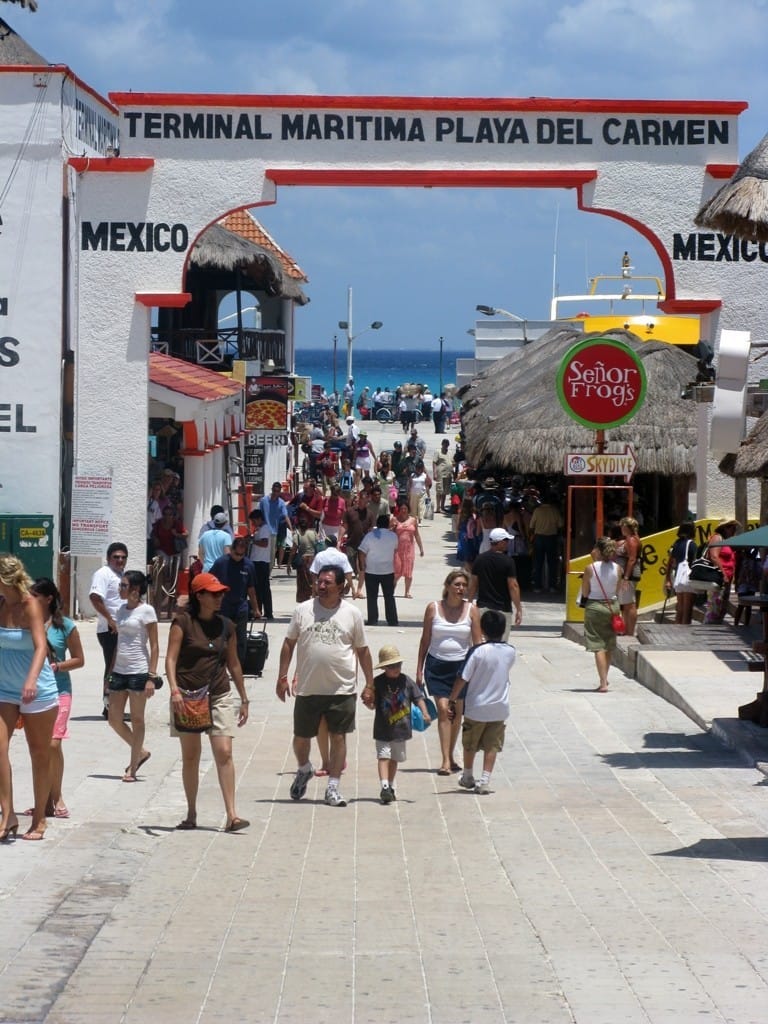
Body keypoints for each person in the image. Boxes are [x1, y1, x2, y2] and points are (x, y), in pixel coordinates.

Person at [277, 565, 374, 808]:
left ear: (340, 586)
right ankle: (304, 768)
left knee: (338, 737)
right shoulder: (303, 610)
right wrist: (282, 676)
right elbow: (288, 644)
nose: (321, 586)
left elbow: (363, 650)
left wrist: (370, 684)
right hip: (308, 687)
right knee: (301, 738)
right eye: (319, 581)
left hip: (341, 688)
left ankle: (333, 786)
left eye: (327, 582)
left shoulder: (352, 613)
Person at [165, 572, 250, 832]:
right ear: (199, 596)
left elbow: (234, 664)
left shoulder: (227, 626)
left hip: (219, 692)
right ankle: (191, 812)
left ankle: (232, 815)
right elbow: (170, 659)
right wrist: (174, 691)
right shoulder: (183, 623)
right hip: (188, 695)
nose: (219, 598)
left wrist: (244, 698)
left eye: (221, 593)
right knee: (191, 755)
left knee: (224, 751)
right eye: (214, 594)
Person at [0, 555, 60, 841]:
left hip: (36, 689)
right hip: (4, 689)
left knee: (39, 753)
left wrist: (31, 679)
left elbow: (40, 647)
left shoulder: (30, 605)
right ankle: (8, 814)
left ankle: (39, 820)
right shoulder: (0, 605)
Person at [416, 568, 482, 776]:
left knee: (456, 714)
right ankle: (445, 760)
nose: (461, 588)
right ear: (447, 586)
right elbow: (425, 640)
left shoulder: (472, 610)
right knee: (444, 710)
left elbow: (477, 644)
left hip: (461, 668)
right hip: (436, 665)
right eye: (457, 584)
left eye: (464, 585)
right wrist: (419, 669)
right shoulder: (433, 608)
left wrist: (479, 672)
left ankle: (451, 756)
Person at [29, 578, 85, 819]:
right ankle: (44, 802)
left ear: (48, 599)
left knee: (53, 744)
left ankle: (57, 795)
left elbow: (80, 659)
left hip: (60, 690)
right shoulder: (27, 622)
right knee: (40, 747)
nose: (30, 600)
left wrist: (58, 666)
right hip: (34, 692)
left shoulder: (66, 626)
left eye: (35, 596)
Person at [448, 609, 516, 795]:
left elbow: (463, 677)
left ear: (483, 630)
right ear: (503, 629)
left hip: (476, 707)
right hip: (500, 707)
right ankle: (485, 781)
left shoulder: (477, 652)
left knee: (470, 743)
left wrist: (452, 699)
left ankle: (468, 776)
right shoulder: (511, 651)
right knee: (492, 745)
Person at [361, 644, 431, 804]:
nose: (396, 669)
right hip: (382, 729)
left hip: (401, 730)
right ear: (384, 667)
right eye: (391, 666)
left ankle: (390, 785)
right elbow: (372, 705)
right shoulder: (378, 683)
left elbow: (418, 698)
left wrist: (425, 712)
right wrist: (368, 702)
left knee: (394, 759)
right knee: (383, 756)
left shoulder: (406, 681)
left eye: (398, 665)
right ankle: (384, 786)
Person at [107, 570, 160, 782]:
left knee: (137, 719)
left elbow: (154, 645)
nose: (120, 588)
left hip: (139, 670)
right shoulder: (120, 610)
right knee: (114, 719)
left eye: (124, 585)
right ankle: (140, 751)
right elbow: (118, 642)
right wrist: (109, 672)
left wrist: (151, 677)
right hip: (119, 671)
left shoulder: (147, 611)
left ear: (135, 589)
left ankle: (133, 768)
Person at [89, 541, 128, 717]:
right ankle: (109, 707)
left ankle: (113, 706)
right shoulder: (103, 573)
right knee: (112, 666)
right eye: (116, 557)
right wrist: (110, 620)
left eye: (123, 557)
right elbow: (95, 597)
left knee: (118, 667)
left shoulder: (121, 575)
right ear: (108, 558)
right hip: (110, 629)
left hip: (122, 629)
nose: (120, 560)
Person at [210, 536, 261, 670]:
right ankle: (219, 666)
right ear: (231, 550)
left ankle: (238, 667)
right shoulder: (221, 563)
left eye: (241, 555)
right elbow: (211, 582)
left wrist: (256, 609)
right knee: (221, 637)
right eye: (236, 554)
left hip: (241, 607)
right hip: (223, 606)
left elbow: (251, 590)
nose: (238, 557)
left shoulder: (248, 565)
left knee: (240, 639)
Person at [580, 537, 621, 693]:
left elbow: (585, 592)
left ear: (597, 550)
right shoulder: (618, 568)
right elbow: (617, 590)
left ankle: (603, 683)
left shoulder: (590, 568)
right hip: (612, 606)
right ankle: (605, 677)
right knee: (608, 644)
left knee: (598, 646)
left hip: (595, 606)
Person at [468, 527, 524, 640]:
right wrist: (518, 608)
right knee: (500, 644)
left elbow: (473, 584)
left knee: (481, 643)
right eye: (506, 540)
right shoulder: (508, 561)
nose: (508, 543)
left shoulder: (479, 559)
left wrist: (468, 604)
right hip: (502, 609)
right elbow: (513, 586)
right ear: (501, 542)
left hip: (482, 608)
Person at [357, 514, 399, 626]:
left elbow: (361, 551)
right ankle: (392, 620)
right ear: (388, 524)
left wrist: (362, 565)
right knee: (389, 596)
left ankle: (372, 619)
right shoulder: (393, 536)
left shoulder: (370, 536)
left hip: (372, 570)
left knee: (372, 597)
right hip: (388, 570)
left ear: (377, 524)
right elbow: (395, 549)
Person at [704, 519, 740, 623]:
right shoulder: (717, 538)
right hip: (718, 578)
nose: (734, 530)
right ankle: (710, 628)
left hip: (726, 580)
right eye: (733, 528)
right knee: (714, 607)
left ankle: (715, 625)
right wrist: (723, 574)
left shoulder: (725, 541)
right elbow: (714, 557)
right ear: (725, 528)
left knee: (722, 608)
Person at [529, 491, 563, 592]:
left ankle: (537, 586)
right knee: (552, 562)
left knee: (538, 562)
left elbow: (531, 526)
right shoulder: (555, 510)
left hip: (539, 538)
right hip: (551, 538)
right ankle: (552, 586)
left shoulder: (537, 510)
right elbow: (561, 525)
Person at [664, 522, 696, 625]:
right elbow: (694, 561)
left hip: (678, 577)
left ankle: (677, 628)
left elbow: (670, 562)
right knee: (687, 609)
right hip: (688, 577)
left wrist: (668, 579)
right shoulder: (691, 544)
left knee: (680, 607)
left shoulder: (676, 543)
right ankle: (685, 630)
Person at [615, 516, 642, 636]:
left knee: (629, 604)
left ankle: (629, 632)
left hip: (629, 576)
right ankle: (627, 630)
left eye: (623, 526)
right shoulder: (632, 538)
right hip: (628, 575)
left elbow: (632, 559)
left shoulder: (631, 540)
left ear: (628, 527)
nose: (621, 528)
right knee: (626, 604)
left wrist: (626, 577)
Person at [392, 500, 424, 598]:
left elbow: (417, 535)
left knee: (408, 571)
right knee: (397, 571)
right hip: (397, 549)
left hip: (409, 549)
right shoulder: (394, 519)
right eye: (402, 509)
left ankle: (407, 592)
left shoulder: (413, 520)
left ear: (408, 509)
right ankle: (391, 591)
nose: (403, 510)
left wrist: (421, 548)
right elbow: (389, 534)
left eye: (405, 509)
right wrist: (393, 528)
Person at [248, 508, 274, 620]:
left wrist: (252, 541)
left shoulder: (264, 529)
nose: (253, 523)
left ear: (259, 519)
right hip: (258, 561)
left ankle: (266, 611)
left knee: (262, 588)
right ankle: (260, 610)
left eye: (254, 521)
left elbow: (264, 543)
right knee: (259, 588)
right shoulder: (259, 529)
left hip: (261, 562)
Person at [260, 482, 292, 570]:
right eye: (274, 490)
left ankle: (268, 572)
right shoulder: (264, 500)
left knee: (271, 553)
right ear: (272, 490)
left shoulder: (281, 503)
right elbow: (259, 514)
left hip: (273, 531)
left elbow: (286, 516)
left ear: (280, 491)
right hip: (263, 530)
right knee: (262, 552)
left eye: (277, 491)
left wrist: (291, 529)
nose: (275, 493)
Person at [291, 514, 322, 603]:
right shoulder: (313, 533)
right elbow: (318, 544)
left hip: (303, 561)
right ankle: (315, 597)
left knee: (303, 583)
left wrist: (289, 563)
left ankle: (304, 601)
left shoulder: (297, 535)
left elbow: (293, 550)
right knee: (313, 580)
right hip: (313, 560)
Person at [433, 438, 453, 513]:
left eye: (447, 444)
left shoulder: (450, 452)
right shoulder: (438, 451)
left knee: (445, 491)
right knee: (439, 490)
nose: (445, 445)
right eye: (444, 444)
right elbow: (434, 462)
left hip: (448, 474)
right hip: (440, 474)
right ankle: (438, 508)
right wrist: (434, 473)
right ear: (442, 444)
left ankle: (442, 507)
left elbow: (452, 462)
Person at [408, 459, 431, 524]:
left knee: (421, 507)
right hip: (413, 494)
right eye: (417, 469)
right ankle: (413, 521)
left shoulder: (424, 476)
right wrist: (408, 494)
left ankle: (420, 521)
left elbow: (427, 486)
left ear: (422, 469)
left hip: (422, 494)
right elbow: (409, 485)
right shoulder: (412, 475)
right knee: (413, 508)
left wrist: (428, 496)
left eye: (420, 469)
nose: (419, 470)